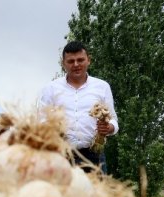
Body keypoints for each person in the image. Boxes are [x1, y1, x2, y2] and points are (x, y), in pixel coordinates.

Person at [39, 40, 118, 172]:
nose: (76, 64)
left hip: (95, 155)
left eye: (80, 60)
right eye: (71, 61)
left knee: (97, 193)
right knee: (62, 193)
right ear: (63, 63)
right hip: (60, 155)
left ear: (88, 60)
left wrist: (109, 127)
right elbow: (41, 120)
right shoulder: (51, 88)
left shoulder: (102, 87)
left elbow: (113, 120)